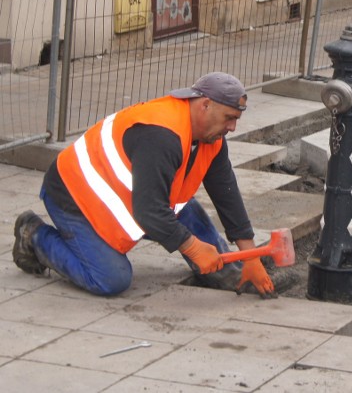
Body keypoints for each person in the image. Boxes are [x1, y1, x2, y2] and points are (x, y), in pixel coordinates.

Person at [12, 72, 278, 298]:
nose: (232, 127)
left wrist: (250, 255)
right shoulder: (161, 135)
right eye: (229, 118)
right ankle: (33, 234)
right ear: (205, 105)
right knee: (111, 279)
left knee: (184, 208)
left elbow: (225, 192)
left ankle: (223, 270)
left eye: (236, 120)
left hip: (129, 199)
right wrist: (192, 247)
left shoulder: (211, 138)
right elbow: (149, 212)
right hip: (73, 197)